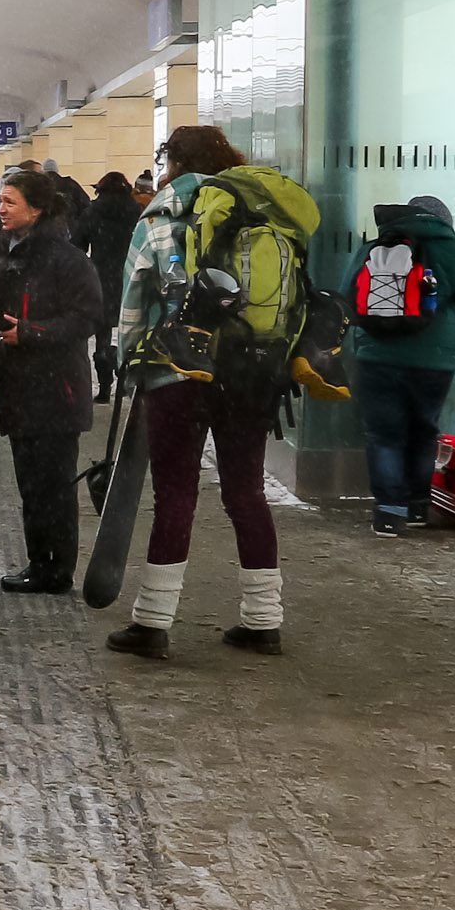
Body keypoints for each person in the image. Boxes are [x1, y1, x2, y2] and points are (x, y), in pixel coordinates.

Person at [105, 123, 316, 659]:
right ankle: (264, 620)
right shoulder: (264, 211)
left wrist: (127, 357)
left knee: (176, 494)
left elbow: (135, 296)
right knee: (245, 491)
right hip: (251, 369)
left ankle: (152, 623)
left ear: (172, 161)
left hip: (179, 369)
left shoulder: (162, 215)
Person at [0, 171, 108, 591]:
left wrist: (31, 333)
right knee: (31, 485)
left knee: (55, 486)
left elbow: (87, 318)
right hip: (18, 387)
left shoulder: (67, 261)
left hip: (56, 390)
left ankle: (57, 570)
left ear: (38, 209)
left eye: (10, 202)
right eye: (0, 201)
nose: (0, 209)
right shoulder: (3, 255)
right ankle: (39, 562)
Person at [347, 193, 455, 535]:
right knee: (423, 431)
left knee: (384, 434)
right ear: (443, 221)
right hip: (434, 361)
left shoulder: (373, 249)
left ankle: (388, 513)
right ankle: (416, 507)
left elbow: (347, 296)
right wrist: (447, 325)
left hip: (377, 355)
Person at [80, 170, 143, 392]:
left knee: (103, 332)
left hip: (101, 277)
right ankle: (127, 377)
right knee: (133, 329)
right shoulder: (137, 211)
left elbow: (78, 245)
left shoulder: (92, 211)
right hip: (132, 275)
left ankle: (105, 386)